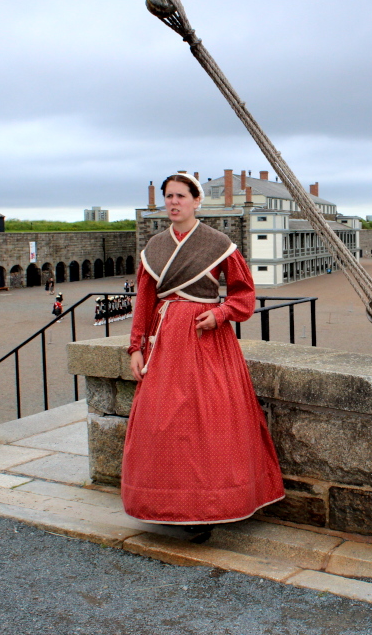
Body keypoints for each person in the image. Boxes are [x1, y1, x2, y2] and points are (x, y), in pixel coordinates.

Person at [125, 173, 284, 542]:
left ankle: (207, 510)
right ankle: (165, 504)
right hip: (165, 342)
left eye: (181, 196)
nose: (173, 202)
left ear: (197, 201)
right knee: (162, 422)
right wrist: (136, 347)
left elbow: (244, 293)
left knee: (207, 422)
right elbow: (145, 301)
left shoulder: (219, 243)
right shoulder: (155, 247)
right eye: (168, 196)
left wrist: (221, 313)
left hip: (206, 339)